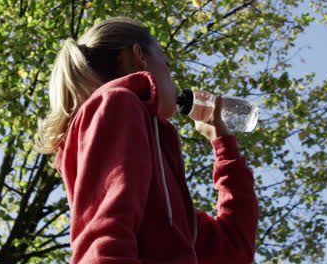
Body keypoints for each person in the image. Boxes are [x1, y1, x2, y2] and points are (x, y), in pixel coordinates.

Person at [34, 17, 258, 264]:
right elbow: (106, 232)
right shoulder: (117, 102)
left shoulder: (161, 185)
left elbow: (234, 250)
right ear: (138, 55)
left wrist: (223, 145)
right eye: (168, 65)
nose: (173, 79)